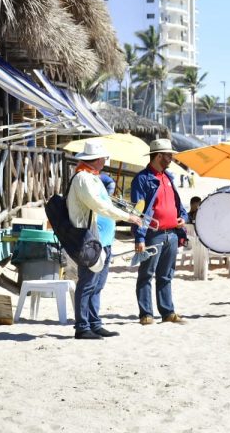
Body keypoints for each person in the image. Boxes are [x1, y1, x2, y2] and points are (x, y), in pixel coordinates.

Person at [68, 141, 142, 339]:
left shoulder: (94, 178)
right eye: (104, 158)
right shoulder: (83, 178)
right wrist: (128, 217)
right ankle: (82, 326)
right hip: (90, 239)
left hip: (103, 240)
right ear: (99, 159)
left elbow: (105, 203)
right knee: (87, 283)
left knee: (97, 284)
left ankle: (94, 322)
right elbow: (99, 205)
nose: (106, 161)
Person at [131, 139, 189, 326]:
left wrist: (183, 217)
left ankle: (167, 312)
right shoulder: (142, 179)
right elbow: (138, 212)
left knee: (166, 274)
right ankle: (146, 314)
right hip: (152, 234)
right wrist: (139, 237)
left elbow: (177, 204)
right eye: (168, 155)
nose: (171, 158)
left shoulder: (168, 177)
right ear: (158, 156)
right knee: (146, 274)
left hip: (172, 233)